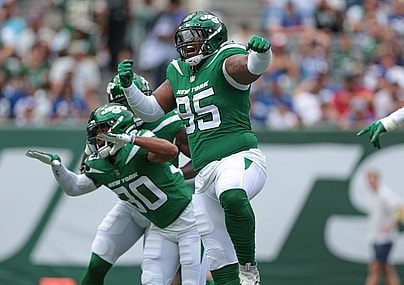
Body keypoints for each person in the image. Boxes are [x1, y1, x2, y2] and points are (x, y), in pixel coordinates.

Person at [116, 11, 271, 285]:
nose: (187, 44)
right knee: (219, 261)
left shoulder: (224, 58)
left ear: (213, 39)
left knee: (232, 193)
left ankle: (249, 268)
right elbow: (152, 110)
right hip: (204, 173)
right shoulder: (178, 71)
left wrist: (261, 55)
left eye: (194, 38)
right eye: (184, 39)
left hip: (238, 157)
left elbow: (248, 68)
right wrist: (129, 89)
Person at [26, 103, 202, 285]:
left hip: (189, 221)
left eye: (102, 130)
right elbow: (75, 187)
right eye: (95, 132)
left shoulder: (139, 143)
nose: (98, 137)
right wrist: (58, 168)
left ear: (119, 128)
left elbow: (171, 151)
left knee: (193, 282)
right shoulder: (100, 163)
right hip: (160, 226)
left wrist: (130, 139)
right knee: (151, 281)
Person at [78, 73, 208, 285]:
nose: (131, 110)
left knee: (186, 275)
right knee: (99, 258)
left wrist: (178, 176)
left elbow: (201, 157)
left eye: (134, 101)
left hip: (167, 206)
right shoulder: (106, 130)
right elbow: (87, 171)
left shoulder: (167, 123)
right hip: (134, 204)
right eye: (124, 104)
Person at [364, 170, 404, 285]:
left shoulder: (385, 194)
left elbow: (401, 208)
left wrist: (391, 226)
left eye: (372, 178)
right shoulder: (371, 195)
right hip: (375, 237)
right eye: (368, 179)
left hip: (386, 238)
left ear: (377, 179)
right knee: (386, 268)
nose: (370, 182)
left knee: (375, 267)